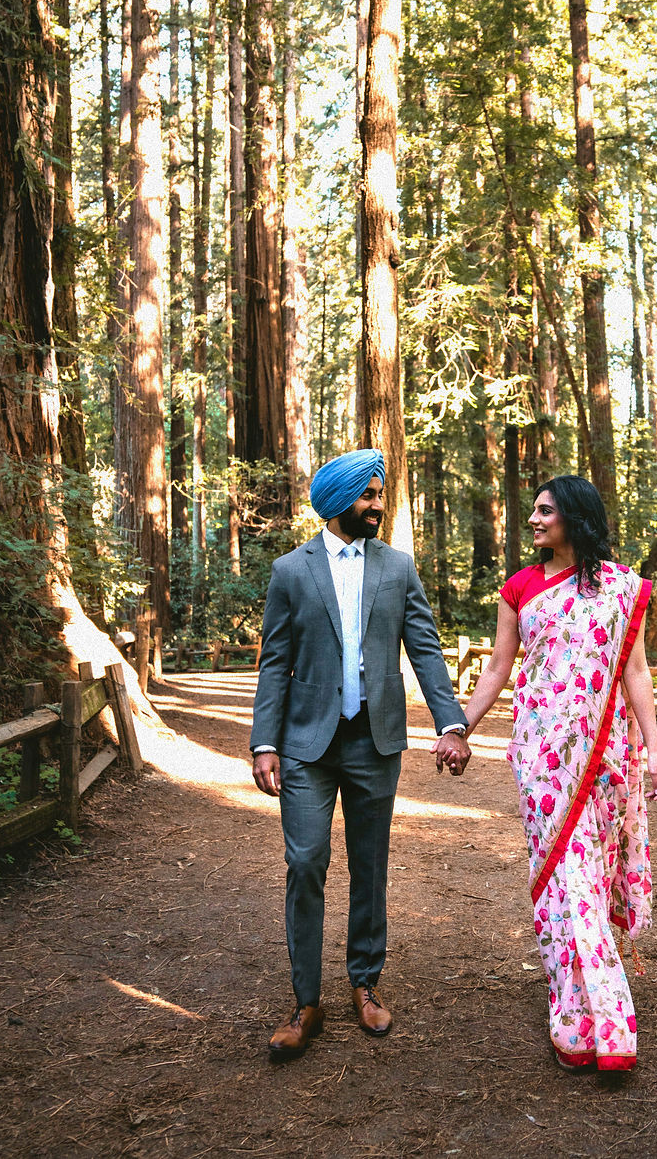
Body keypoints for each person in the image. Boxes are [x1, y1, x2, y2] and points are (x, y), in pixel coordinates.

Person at [250, 448, 470, 1063]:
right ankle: (305, 1002)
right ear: (338, 499)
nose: (378, 505)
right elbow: (274, 663)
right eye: (369, 494)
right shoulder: (291, 571)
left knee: (370, 863)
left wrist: (450, 722)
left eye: (380, 494)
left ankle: (365, 984)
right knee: (305, 860)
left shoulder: (398, 568)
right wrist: (264, 741)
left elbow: (424, 649)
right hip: (305, 745)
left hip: (376, 741)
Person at [459, 475, 657, 1071]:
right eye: (532, 511)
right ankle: (590, 1010)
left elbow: (635, 673)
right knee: (560, 874)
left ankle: (582, 994)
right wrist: (460, 727)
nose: (532, 520)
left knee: (590, 874)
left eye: (545, 511)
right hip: (541, 755)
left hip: (605, 755)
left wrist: (654, 749)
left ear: (574, 518)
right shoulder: (520, 588)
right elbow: (500, 667)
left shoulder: (621, 588)